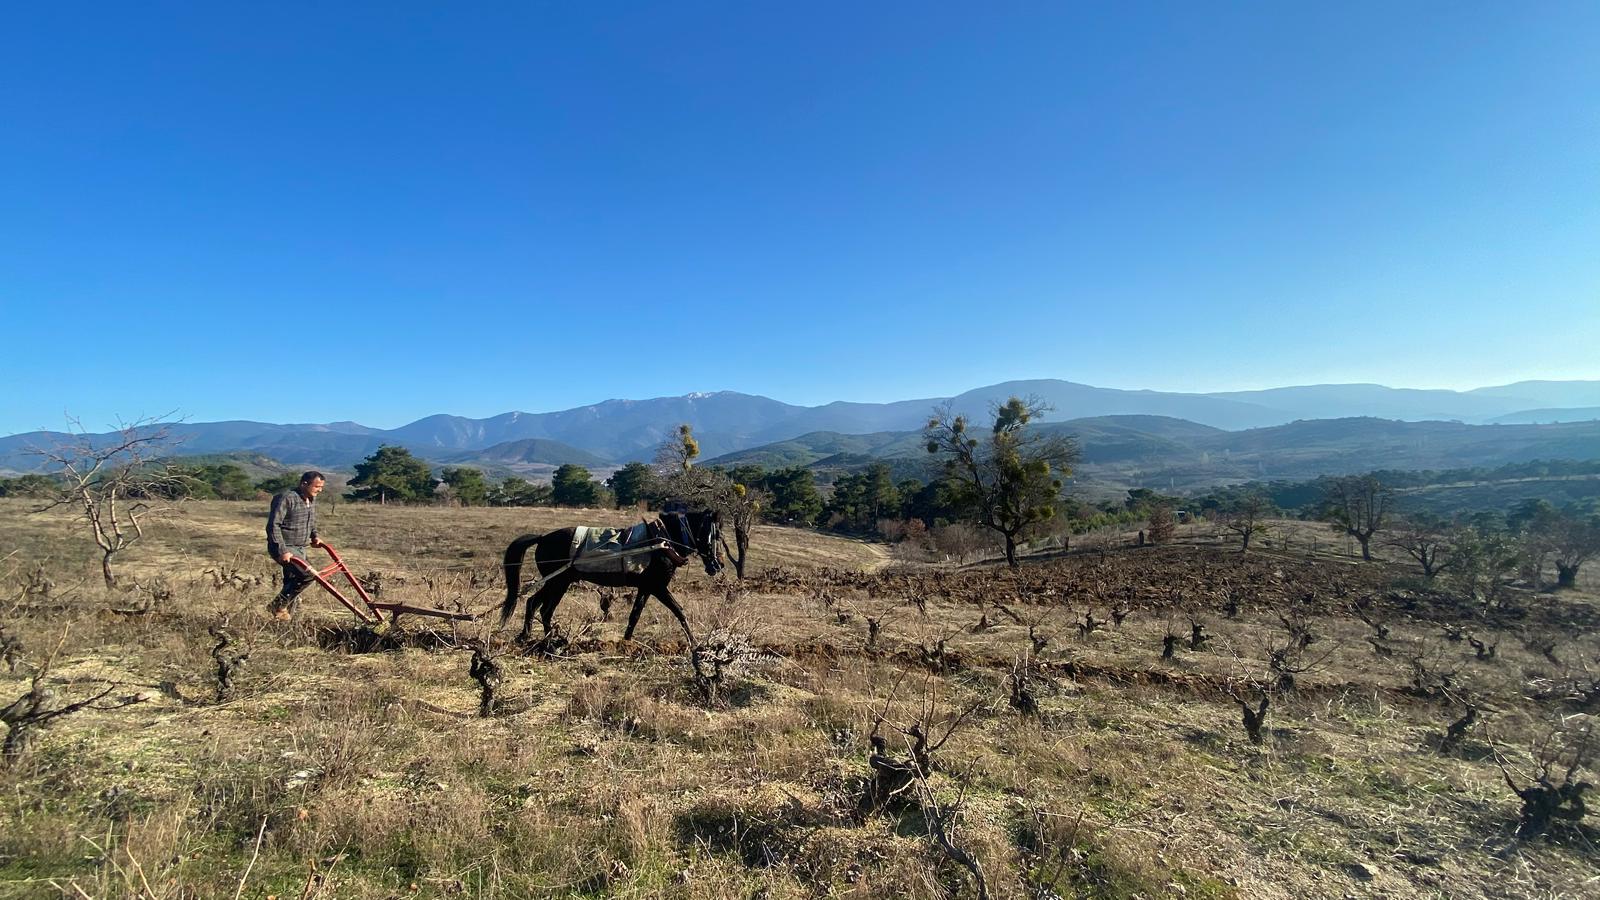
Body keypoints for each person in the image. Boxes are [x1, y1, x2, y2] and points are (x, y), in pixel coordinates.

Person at [266, 471, 326, 619]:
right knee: (308, 575)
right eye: (317, 486)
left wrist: (315, 536)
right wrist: (282, 550)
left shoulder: (311, 499)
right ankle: (277, 605)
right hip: (286, 546)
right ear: (304, 484)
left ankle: (284, 618)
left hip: (300, 547)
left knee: (292, 582)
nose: (320, 490)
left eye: (321, 487)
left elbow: (311, 520)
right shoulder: (286, 498)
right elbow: (273, 525)